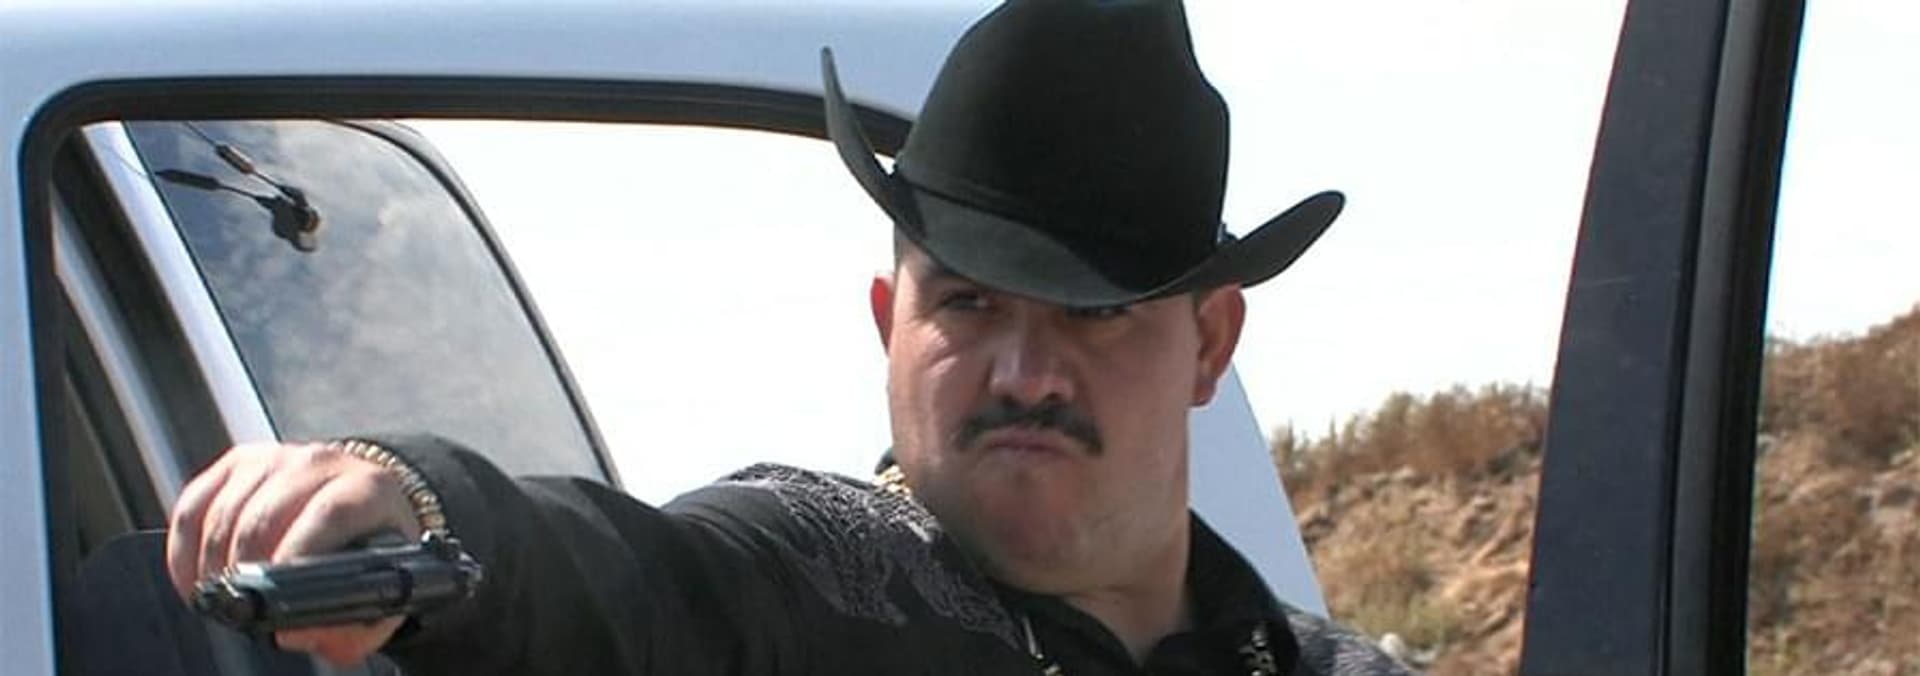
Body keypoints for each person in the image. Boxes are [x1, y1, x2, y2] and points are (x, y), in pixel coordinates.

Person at [166, 1, 1412, 673]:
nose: (1025, 373)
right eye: (967, 303)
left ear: (1209, 344)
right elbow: (631, 580)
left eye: (1092, 312)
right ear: (888, 320)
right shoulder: (814, 584)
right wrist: (418, 508)